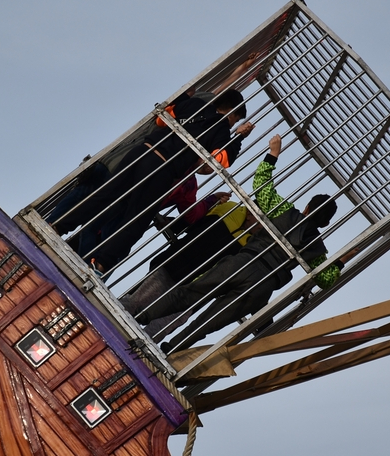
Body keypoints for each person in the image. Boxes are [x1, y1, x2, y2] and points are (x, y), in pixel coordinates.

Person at [137, 134, 349, 352]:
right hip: (262, 285)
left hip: (243, 261)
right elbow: (326, 279)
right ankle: (170, 349)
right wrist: (341, 261)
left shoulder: (284, 210)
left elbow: (261, 183)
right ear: (325, 224)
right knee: (210, 322)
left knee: (191, 293)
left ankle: (143, 314)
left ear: (306, 207)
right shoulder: (317, 248)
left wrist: (273, 154)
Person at [51, 89, 254, 272]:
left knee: (105, 195)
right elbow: (219, 161)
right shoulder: (220, 129)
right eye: (235, 119)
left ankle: (59, 226)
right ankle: (101, 264)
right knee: (138, 218)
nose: (233, 123)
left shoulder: (195, 105)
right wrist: (237, 137)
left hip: (142, 152)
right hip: (163, 168)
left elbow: (161, 120)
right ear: (232, 113)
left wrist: (185, 95)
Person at [121, 199, 254, 340]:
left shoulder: (252, 243)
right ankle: (107, 318)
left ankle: (137, 348)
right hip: (174, 267)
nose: (262, 227)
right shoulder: (228, 209)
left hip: (195, 290)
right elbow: (195, 222)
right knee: (136, 302)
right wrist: (174, 224)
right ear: (251, 213)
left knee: (159, 328)